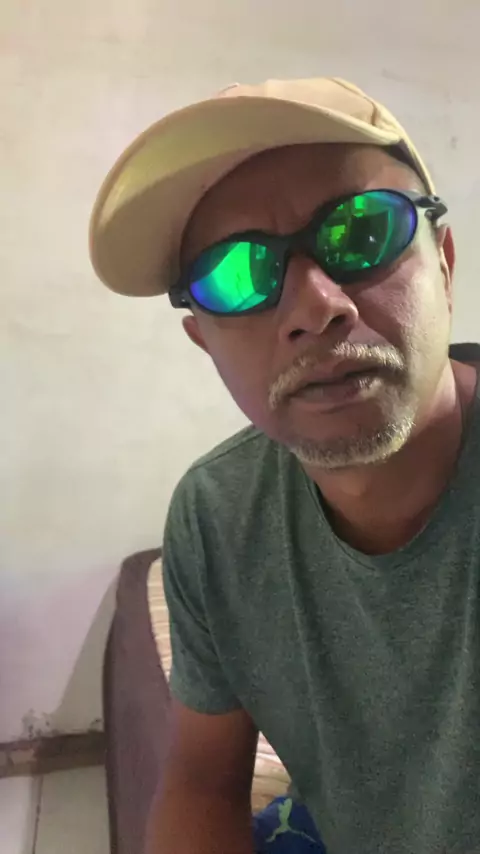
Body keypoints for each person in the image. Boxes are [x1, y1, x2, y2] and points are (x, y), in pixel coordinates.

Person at [90, 77, 480, 854]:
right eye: (236, 275)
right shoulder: (216, 515)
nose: (314, 307)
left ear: (442, 262)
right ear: (203, 340)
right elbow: (204, 782)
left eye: (362, 233)